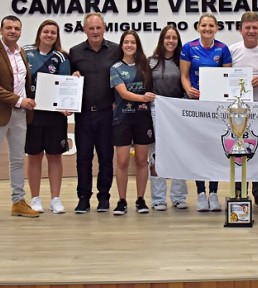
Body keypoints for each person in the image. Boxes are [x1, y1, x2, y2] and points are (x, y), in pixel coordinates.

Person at [0, 15, 38, 222]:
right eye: (9, 28)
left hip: (20, 115)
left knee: (18, 160)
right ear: (1, 30)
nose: (13, 31)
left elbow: (23, 82)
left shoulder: (21, 52)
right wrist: (19, 100)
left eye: (17, 28)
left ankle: (18, 202)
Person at [68, 13, 122, 213]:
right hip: (83, 115)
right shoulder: (74, 52)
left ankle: (104, 197)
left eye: (98, 27)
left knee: (106, 156)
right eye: (91, 28)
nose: (95, 31)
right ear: (84, 30)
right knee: (83, 157)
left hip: (108, 113)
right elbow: (68, 81)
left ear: (105, 28)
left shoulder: (116, 51)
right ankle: (83, 197)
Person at [180, 13, 233, 212]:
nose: (207, 28)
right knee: (198, 149)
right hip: (195, 104)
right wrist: (188, 89)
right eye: (204, 25)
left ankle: (214, 193)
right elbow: (184, 76)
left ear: (216, 28)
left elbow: (227, 77)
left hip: (215, 106)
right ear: (198, 27)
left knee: (214, 149)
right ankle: (201, 193)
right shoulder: (189, 47)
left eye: (211, 25)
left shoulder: (223, 49)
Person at [23, 20, 71, 215]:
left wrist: (66, 106)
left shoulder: (62, 57)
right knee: (34, 156)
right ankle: (34, 198)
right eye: (46, 31)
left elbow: (66, 84)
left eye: (53, 32)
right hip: (32, 113)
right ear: (39, 33)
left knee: (54, 156)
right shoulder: (25, 52)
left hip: (55, 117)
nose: (49, 35)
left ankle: (55, 199)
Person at [228, 12, 258, 210]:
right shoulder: (232, 50)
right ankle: (239, 192)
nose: (251, 31)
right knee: (238, 153)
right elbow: (225, 77)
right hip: (237, 112)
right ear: (241, 30)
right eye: (248, 28)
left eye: (255, 28)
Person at [109, 30, 155, 216]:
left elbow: (152, 90)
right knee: (122, 161)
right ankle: (121, 201)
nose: (129, 45)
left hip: (142, 119)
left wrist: (148, 98)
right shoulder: (116, 68)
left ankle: (141, 199)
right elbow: (123, 93)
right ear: (122, 45)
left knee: (142, 161)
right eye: (126, 42)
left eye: (133, 42)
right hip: (122, 119)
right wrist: (143, 97)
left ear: (137, 46)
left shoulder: (145, 66)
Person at [148, 25, 188, 211]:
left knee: (179, 153)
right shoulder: (151, 62)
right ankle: (158, 199)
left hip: (177, 112)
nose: (171, 41)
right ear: (162, 40)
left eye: (174, 38)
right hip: (156, 111)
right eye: (167, 37)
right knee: (156, 155)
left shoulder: (183, 61)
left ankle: (179, 197)